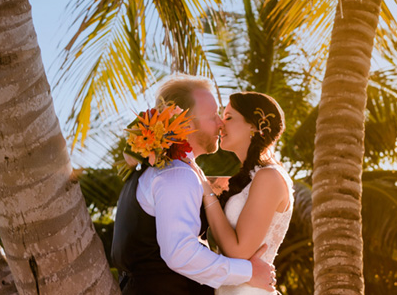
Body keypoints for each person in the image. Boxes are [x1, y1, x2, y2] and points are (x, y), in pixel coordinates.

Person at [111, 75, 277, 294]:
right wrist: (249, 272)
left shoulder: (156, 172)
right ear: (187, 123)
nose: (221, 123)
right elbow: (180, 253)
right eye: (213, 116)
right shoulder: (178, 174)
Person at [190, 92, 293, 295]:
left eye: (228, 117)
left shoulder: (269, 177)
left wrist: (206, 190)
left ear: (254, 126)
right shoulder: (247, 179)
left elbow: (238, 251)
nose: (220, 123)